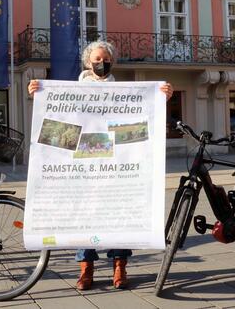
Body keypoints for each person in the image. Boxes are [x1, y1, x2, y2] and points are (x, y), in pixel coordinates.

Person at [28, 41, 173, 290]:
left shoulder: (122, 91)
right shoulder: (72, 91)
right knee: (85, 215)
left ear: (111, 62)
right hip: (83, 165)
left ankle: (120, 265)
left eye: (105, 59)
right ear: (88, 62)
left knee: (118, 213)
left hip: (113, 164)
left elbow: (139, 121)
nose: (101, 63)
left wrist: (163, 97)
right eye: (96, 59)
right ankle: (86, 268)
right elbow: (59, 122)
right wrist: (38, 94)